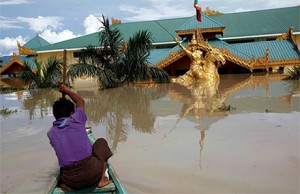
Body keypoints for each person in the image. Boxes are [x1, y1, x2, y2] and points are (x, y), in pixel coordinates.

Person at [47, 84, 113, 190]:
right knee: (101, 142)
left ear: (55, 115)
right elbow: (80, 102)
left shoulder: (51, 133)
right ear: (71, 113)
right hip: (92, 174)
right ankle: (101, 180)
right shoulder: (76, 119)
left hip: (70, 181)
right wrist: (66, 90)